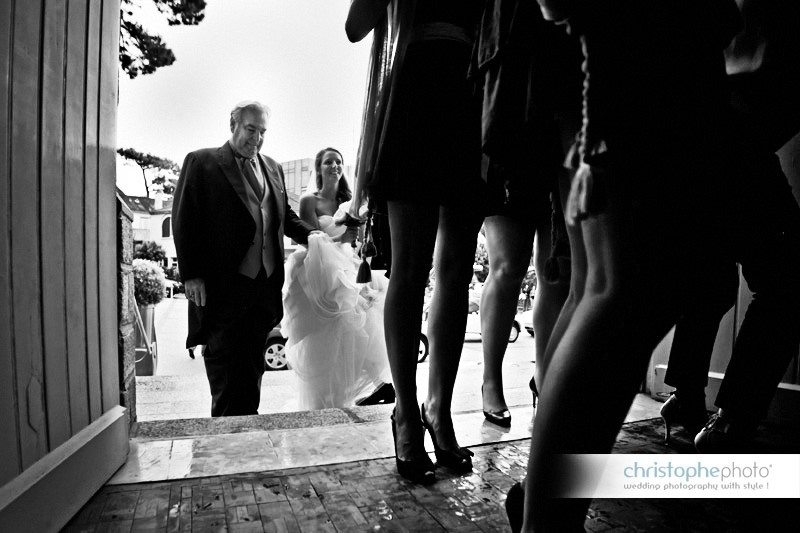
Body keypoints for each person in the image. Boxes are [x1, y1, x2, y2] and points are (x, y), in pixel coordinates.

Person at [506, 0, 744, 530]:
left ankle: (542, 503)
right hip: (623, 40)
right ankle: (545, 519)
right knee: (621, 289)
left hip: (604, 43)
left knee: (598, 286)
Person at [346, 0, 486, 484]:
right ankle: (406, 413)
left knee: (457, 271)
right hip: (417, 87)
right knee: (410, 267)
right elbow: (355, 25)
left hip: (474, 88)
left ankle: (438, 410)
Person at [471, 0, 581, 425]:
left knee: (554, 270)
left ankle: (545, 376)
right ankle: (491, 382)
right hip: (511, 120)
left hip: (561, 117)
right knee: (507, 267)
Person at [172, 100, 315, 417]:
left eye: (263, 131)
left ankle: (249, 435)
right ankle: (224, 444)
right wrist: (191, 275)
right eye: (251, 129)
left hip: (262, 291)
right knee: (224, 373)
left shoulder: (273, 168)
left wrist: (314, 235)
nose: (257, 138)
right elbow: (185, 220)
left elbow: (284, 217)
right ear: (233, 125)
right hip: (223, 290)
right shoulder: (201, 162)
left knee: (252, 373)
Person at [281, 147, 395, 410]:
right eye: (328, 162)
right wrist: (340, 238)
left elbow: (356, 241)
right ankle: (328, 397)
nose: (334, 166)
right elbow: (310, 241)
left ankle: (378, 384)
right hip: (317, 269)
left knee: (358, 322)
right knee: (328, 333)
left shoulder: (350, 200)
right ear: (318, 168)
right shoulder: (310, 201)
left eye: (338, 162)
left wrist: (358, 233)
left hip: (346, 265)